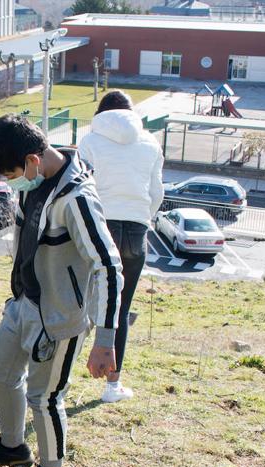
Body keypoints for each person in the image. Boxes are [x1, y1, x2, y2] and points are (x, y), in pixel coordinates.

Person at [0, 114, 124, 467]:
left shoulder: (78, 199)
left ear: (33, 160)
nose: (10, 182)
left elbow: (109, 266)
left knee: (46, 398)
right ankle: (12, 446)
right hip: (23, 302)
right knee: (2, 371)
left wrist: (105, 340)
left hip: (60, 318)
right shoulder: (32, 185)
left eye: (11, 173)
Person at [78, 90, 163, 404]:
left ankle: (59, 376)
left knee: (84, 305)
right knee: (120, 309)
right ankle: (113, 386)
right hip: (136, 229)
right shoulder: (151, 143)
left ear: (101, 113)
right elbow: (156, 193)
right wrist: (141, 217)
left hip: (101, 225)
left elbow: (82, 187)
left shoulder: (90, 141)